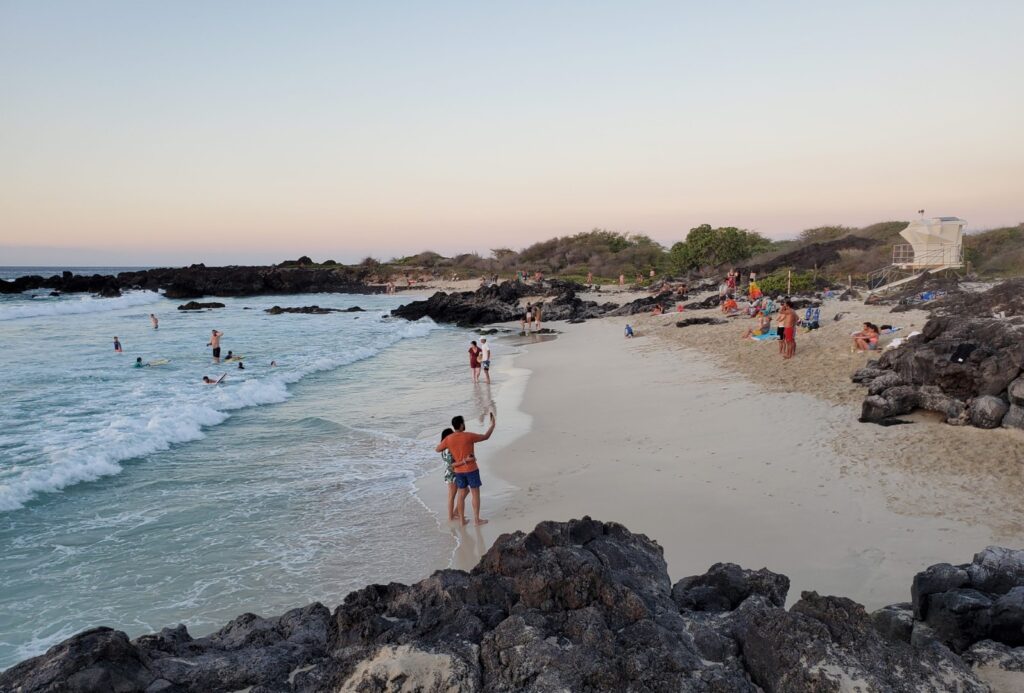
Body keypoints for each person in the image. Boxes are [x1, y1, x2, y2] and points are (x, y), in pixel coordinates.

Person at [436, 412, 496, 526]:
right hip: (471, 469)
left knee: (461, 495)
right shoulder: (468, 436)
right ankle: (477, 520)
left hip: (458, 472)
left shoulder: (448, 439)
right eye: (463, 422)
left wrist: (450, 446)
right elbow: (485, 437)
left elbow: (438, 449)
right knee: (475, 494)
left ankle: (462, 521)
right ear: (461, 425)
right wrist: (492, 425)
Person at [438, 427, 457, 521]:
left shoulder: (443, 448)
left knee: (452, 495)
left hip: (449, 472)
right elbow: (451, 463)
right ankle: (451, 516)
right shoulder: (448, 448)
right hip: (452, 473)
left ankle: (454, 513)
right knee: (452, 496)